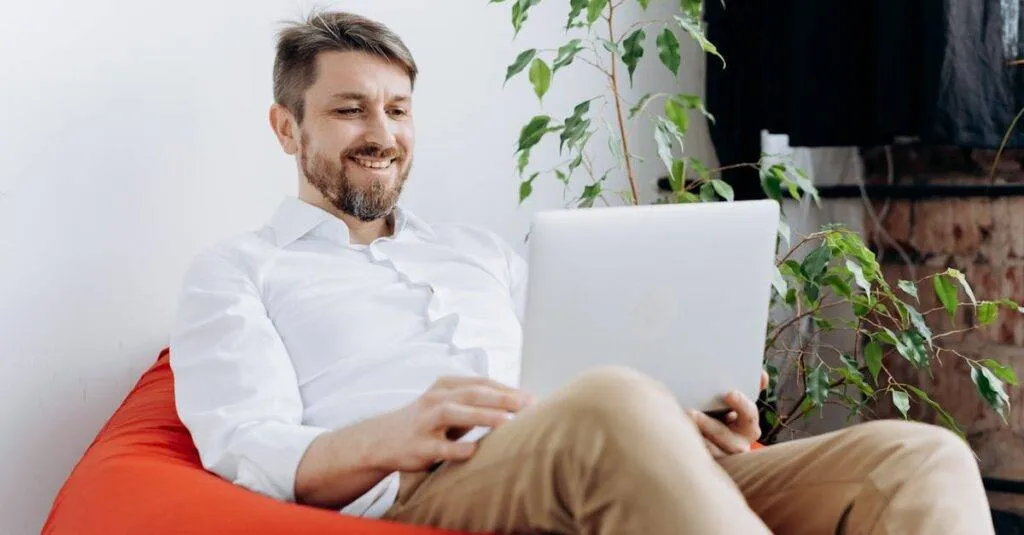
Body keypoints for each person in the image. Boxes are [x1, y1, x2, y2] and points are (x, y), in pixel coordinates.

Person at [170, 10, 995, 534]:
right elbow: (247, 445)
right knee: (610, 401)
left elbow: (579, 370)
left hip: (602, 452)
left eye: (398, 109)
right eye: (349, 109)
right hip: (433, 487)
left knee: (921, 458)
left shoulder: (480, 251)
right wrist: (395, 433)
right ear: (287, 128)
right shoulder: (237, 273)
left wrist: (685, 411)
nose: (381, 132)